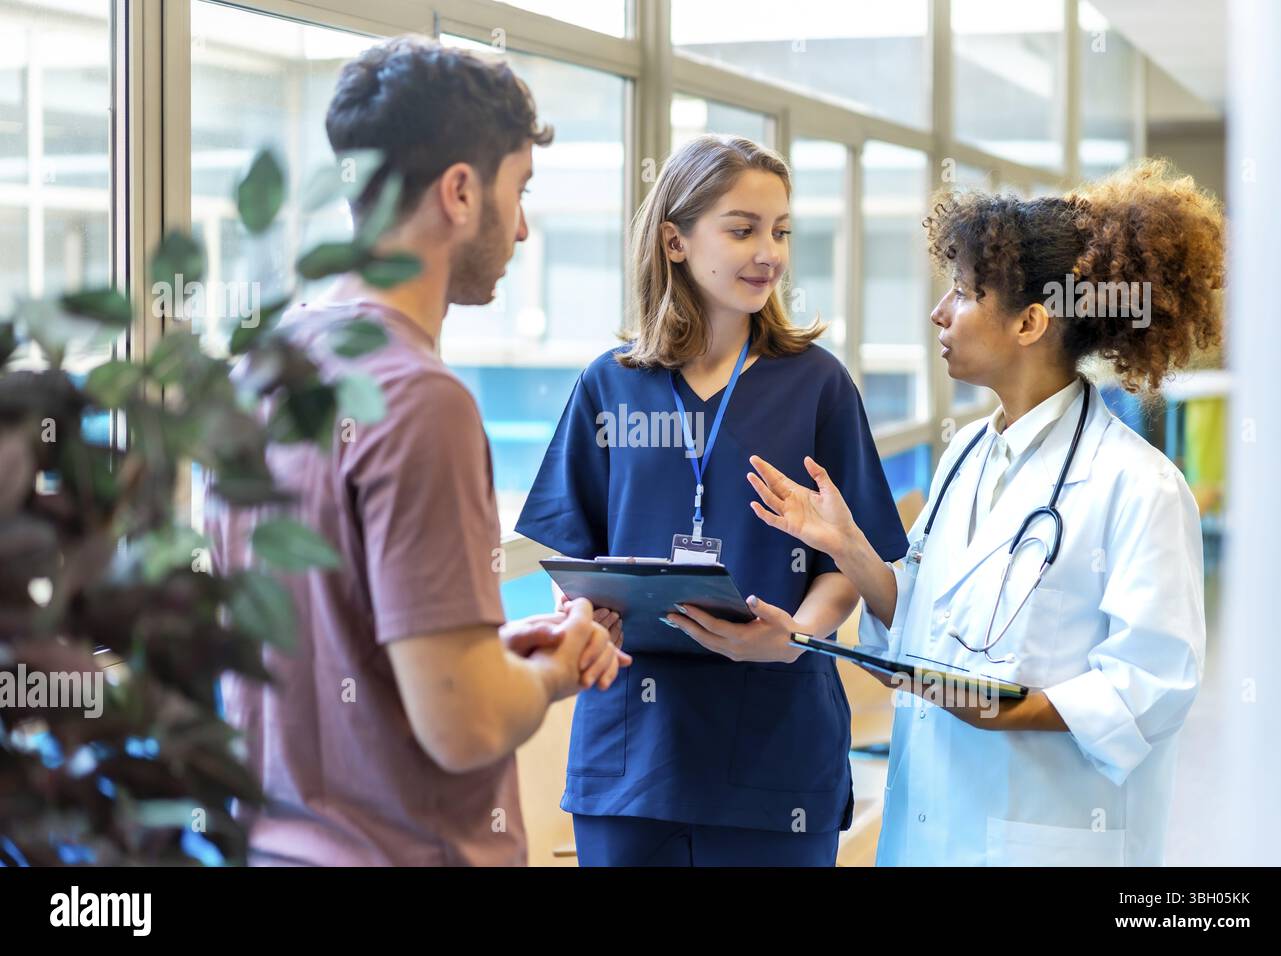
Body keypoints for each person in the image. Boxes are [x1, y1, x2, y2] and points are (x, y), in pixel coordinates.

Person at [208, 36, 629, 867]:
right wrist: (556, 672)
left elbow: (339, 648)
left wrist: (486, 653)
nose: (524, 230)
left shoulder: (261, 370)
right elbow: (462, 723)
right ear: (462, 192)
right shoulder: (420, 401)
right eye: (520, 193)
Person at [746, 159, 1224, 865]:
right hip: (929, 831)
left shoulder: (1138, 486)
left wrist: (996, 709)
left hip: (1043, 836)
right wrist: (848, 548)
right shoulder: (966, 454)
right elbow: (920, 623)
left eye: (965, 293)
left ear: (1030, 321)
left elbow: (1150, 686)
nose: (940, 313)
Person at [514, 135, 909, 866]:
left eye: (781, 231)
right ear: (675, 240)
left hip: (776, 752)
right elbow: (572, 552)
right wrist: (588, 610)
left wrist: (797, 634)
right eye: (742, 229)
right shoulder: (610, 384)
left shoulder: (817, 386)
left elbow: (853, 556)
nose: (769, 252)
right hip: (632, 757)